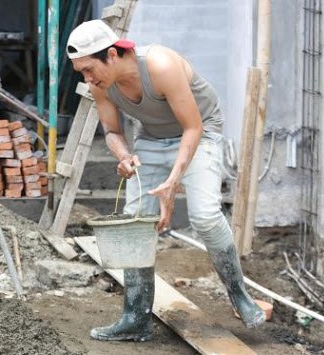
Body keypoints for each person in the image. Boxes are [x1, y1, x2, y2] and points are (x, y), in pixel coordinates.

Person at [66, 20, 265, 342]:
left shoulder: (160, 65)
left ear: (113, 54)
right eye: (81, 73)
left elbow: (193, 127)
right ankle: (135, 317)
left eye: (89, 69)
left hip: (201, 132)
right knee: (133, 223)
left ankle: (240, 295)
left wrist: (174, 180)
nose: (87, 79)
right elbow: (113, 132)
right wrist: (123, 157)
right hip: (152, 138)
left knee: (205, 215)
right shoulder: (100, 85)